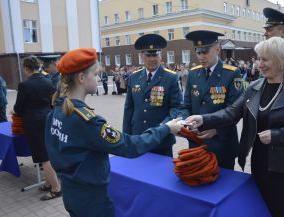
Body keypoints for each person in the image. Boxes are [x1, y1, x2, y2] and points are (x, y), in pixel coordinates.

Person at [186, 37, 284, 217]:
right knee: (264, 210)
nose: (259, 64)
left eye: (265, 59)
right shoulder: (255, 87)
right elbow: (232, 113)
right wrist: (204, 119)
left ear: (281, 60)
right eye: (258, 59)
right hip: (261, 164)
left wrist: (277, 135)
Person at [45, 48, 183, 217]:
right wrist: (166, 128)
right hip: (92, 198)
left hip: (71, 191)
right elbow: (131, 146)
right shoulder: (87, 121)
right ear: (81, 78)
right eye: (95, 74)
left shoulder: (56, 110)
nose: (98, 79)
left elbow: (52, 152)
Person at [181, 30, 242, 169]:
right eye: (198, 52)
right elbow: (186, 106)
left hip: (221, 144)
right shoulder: (193, 73)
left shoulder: (232, 73)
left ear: (217, 49)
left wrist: (217, 130)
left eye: (205, 51)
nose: (201, 56)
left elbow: (236, 110)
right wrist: (186, 124)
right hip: (197, 144)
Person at [123, 34, 183, 157]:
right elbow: (129, 108)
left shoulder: (171, 77)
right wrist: (126, 136)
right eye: (148, 55)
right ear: (142, 56)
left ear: (160, 55)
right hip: (138, 137)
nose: (152, 59)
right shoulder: (134, 77)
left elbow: (177, 107)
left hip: (162, 139)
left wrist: (164, 127)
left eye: (155, 54)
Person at [13, 56, 61, 201]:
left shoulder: (24, 85)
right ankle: (48, 183)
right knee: (48, 154)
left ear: (26, 68)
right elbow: (54, 103)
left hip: (34, 123)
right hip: (48, 119)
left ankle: (56, 189)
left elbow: (18, 108)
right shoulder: (48, 81)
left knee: (43, 157)